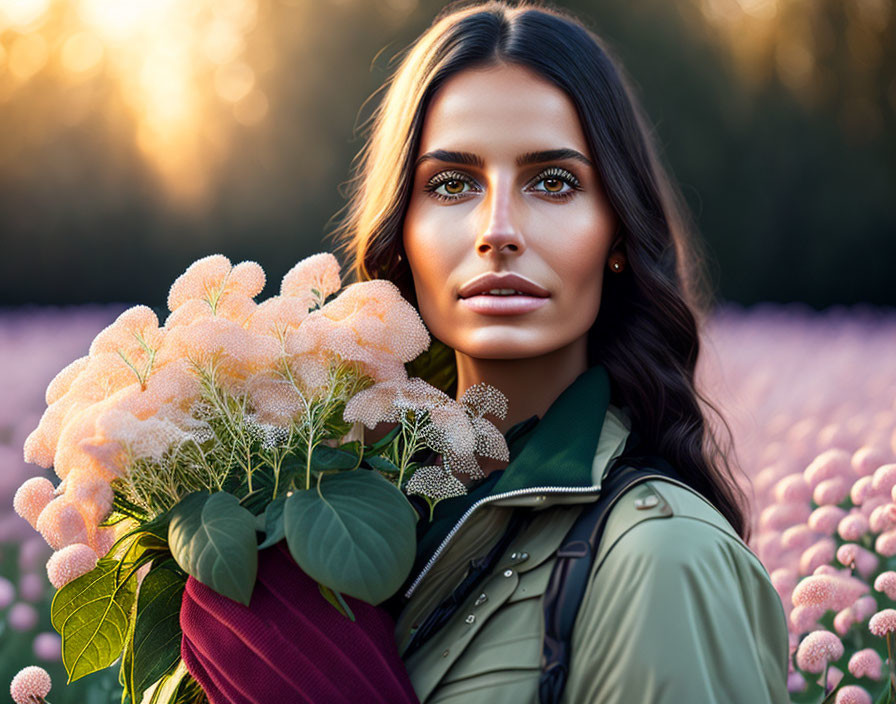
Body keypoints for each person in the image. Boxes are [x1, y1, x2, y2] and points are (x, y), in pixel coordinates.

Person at [332, 1, 792, 702]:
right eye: (452, 184)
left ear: (616, 234)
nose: (499, 230)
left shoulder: (661, 560)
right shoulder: (342, 514)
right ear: (400, 234)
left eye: (554, 182)